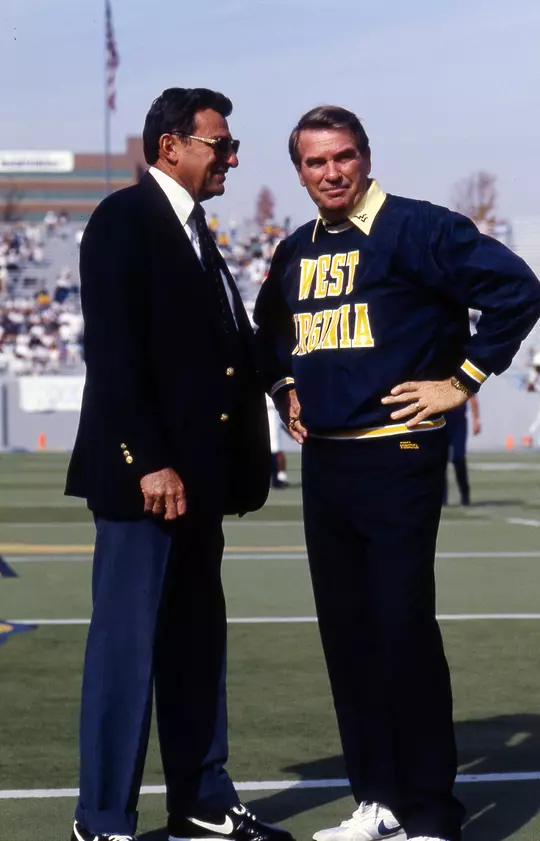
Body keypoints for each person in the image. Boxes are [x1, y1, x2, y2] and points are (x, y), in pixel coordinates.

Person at [254, 105, 540, 841]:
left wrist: (463, 379)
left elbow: (519, 289)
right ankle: (375, 799)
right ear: (299, 171)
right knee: (347, 636)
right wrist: (287, 389)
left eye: (342, 156)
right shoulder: (294, 251)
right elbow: (267, 333)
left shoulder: (418, 228)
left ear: (365, 156)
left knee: (402, 631)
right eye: (315, 162)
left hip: (399, 457)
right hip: (328, 465)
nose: (331, 172)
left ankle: (431, 813)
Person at [65, 87, 291, 841]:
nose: (231, 155)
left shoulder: (198, 231)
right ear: (170, 146)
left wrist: (288, 379)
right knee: (127, 651)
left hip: (199, 485)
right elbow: (116, 353)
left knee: (198, 645)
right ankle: (102, 819)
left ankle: (201, 798)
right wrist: (149, 462)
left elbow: (229, 352)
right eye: (219, 144)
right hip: (148, 484)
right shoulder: (124, 220)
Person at [442, 395, 480, 506]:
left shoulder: (461, 377)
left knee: (458, 457)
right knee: (440, 459)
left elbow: (472, 396)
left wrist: (476, 419)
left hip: (458, 422)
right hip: (440, 420)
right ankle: (442, 498)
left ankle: (464, 492)